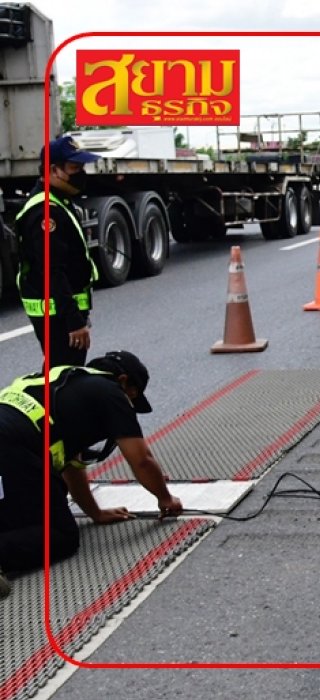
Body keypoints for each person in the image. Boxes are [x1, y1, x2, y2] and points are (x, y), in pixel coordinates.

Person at [0, 351, 184, 598]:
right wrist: (165, 498)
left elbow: (72, 466)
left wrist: (95, 512)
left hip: (12, 442)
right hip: (12, 446)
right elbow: (141, 460)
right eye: (133, 397)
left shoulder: (66, 382)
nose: (130, 405)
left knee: (24, 514)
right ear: (123, 381)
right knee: (60, 536)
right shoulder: (110, 392)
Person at [14, 136, 102, 367]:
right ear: (54, 170)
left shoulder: (58, 200)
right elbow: (51, 270)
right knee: (63, 379)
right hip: (57, 316)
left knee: (61, 374)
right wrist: (73, 321)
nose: (81, 173)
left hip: (61, 312)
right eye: (75, 168)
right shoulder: (45, 212)